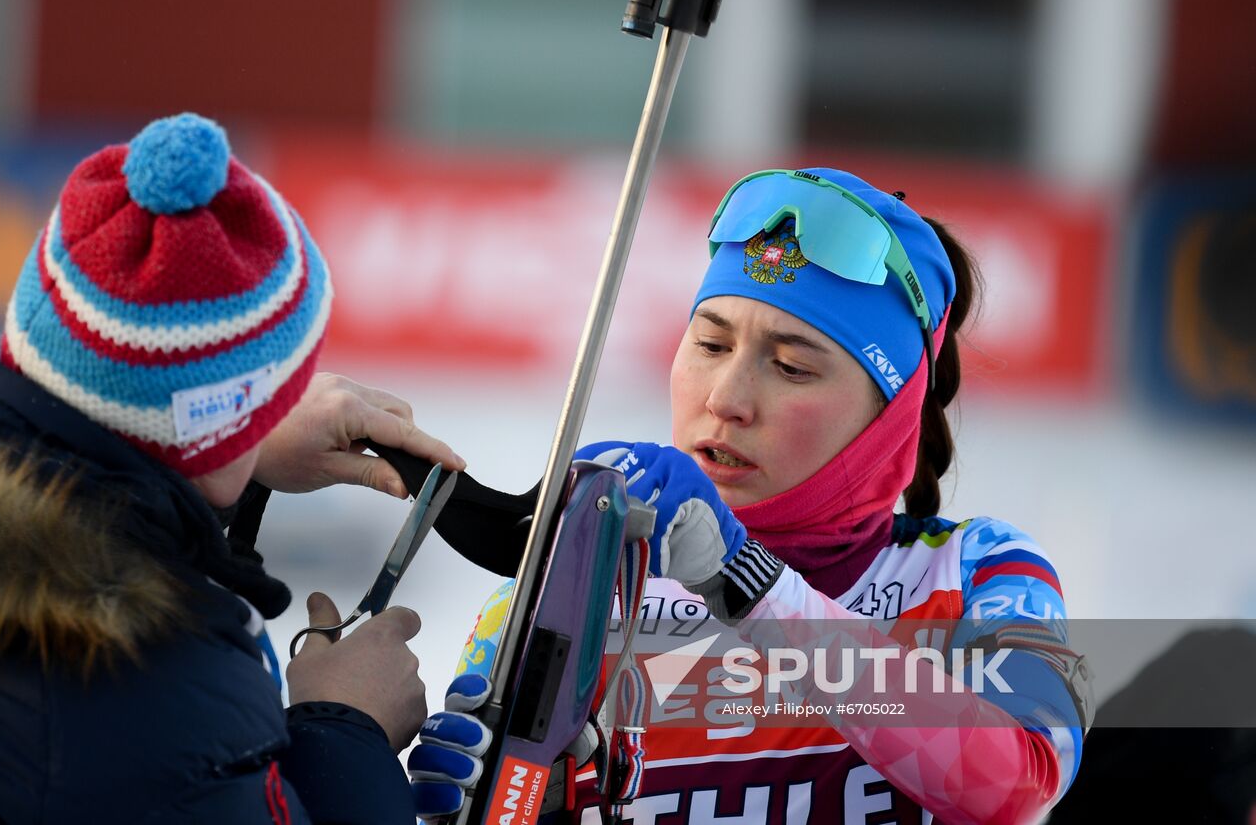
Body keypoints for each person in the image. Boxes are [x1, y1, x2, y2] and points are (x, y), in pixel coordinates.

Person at [409, 168, 1092, 823]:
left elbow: (1020, 787)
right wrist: (521, 803)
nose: (726, 399)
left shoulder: (978, 569)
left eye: (791, 366)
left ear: (889, 417)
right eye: (710, 343)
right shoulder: (576, 585)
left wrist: (748, 582)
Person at [0, 113, 463, 823]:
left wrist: (210, 463)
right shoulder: (154, 700)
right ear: (223, 421)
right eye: (271, 397)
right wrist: (344, 732)